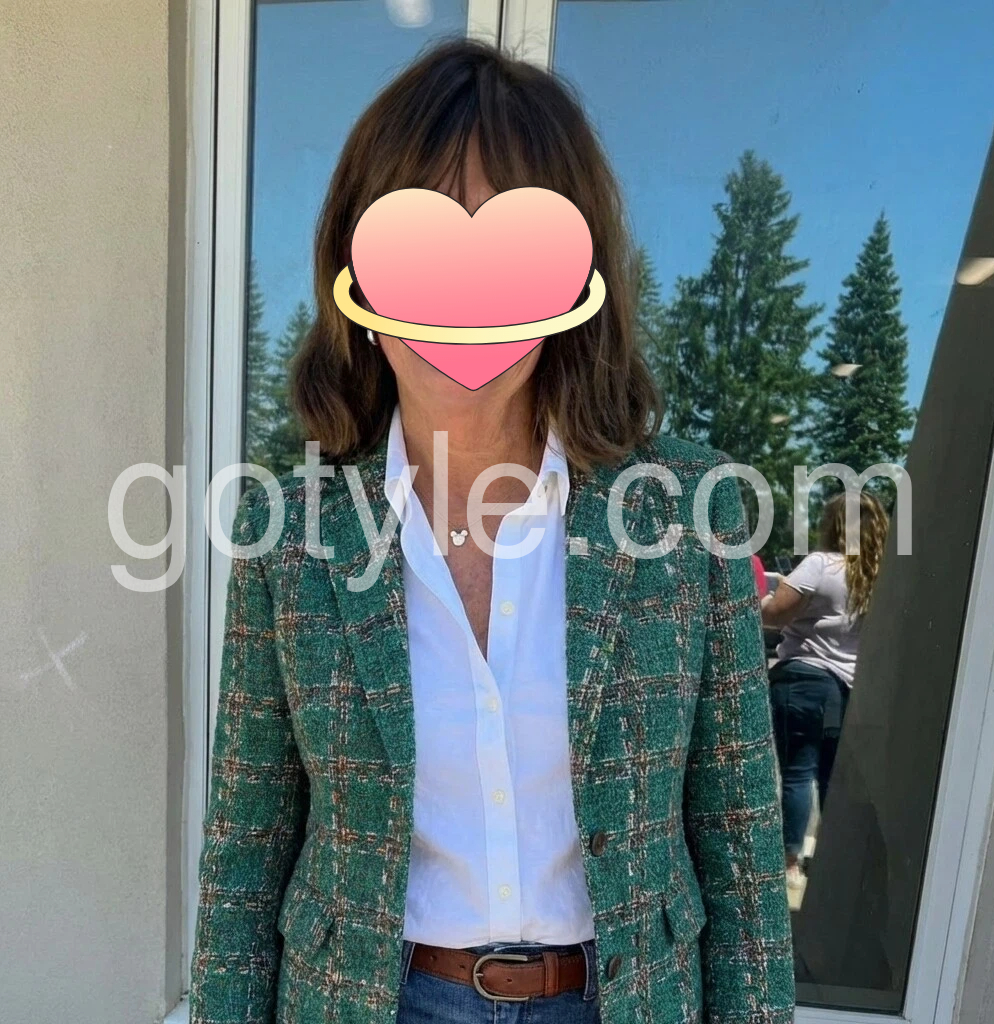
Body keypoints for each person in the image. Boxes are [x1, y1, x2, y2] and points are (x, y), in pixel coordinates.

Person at [189, 39, 793, 1024]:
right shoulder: (288, 531)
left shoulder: (689, 509)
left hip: (619, 1000)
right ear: (356, 275)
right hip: (374, 1000)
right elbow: (247, 853)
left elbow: (740, 842)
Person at [760, 490, 890, 887]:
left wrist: (762, 600)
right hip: (849, 689)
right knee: (832, 777)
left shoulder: (821, 565)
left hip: (804, 680)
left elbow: (776, 614)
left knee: (798, 773)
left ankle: (788, 863)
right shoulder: (881, 576)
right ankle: (831, 862)